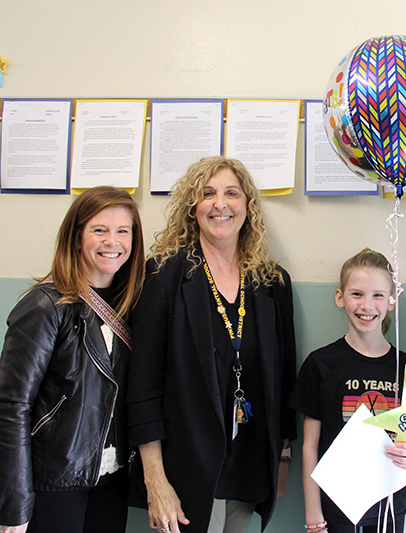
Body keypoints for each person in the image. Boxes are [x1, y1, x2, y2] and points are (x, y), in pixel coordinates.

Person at [126, 156, 297, 533]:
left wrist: (282, 459)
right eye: (207, 194)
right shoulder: (163, 276)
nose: (220, 204)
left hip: (250, 465)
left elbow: (285, 379)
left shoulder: (272, 283)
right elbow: (142, 387)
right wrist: (155, 479)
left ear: (247, 207)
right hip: (184, 469)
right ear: (193, 208)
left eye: (231, 193)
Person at [0, 186, 146, 533]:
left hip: (111, 479)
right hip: (54, 482)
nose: (113, 242)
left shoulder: (132, 305)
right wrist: (14, 503)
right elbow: (8, 406)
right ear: (76, 237)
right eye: (99, 230)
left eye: (123, 231)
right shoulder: (46, 306)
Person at [290, 248, 406, 533]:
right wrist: (314, 518)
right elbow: (309, 447)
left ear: (392, 301)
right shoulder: (320, 364)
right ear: (340, 298)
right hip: (335, 506)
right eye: (357, 294)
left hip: (390, 505)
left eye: (378, 295)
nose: (367, 305)